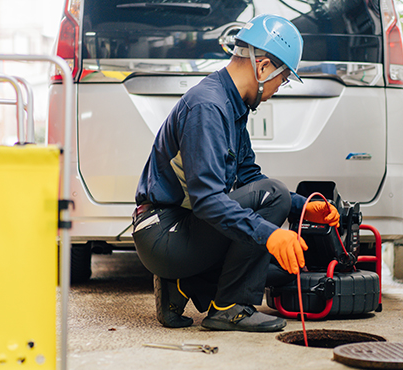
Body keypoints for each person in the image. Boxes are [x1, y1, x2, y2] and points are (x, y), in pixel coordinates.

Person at [133, 14, 339, 332]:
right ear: (264, 67)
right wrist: (270, 234)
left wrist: (303, 206)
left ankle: (181, 287)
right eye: (282, 80)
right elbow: (207, 201)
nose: (277, 89)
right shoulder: (209, 107)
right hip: (164, 233)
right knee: (273, 200)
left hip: (185, 229)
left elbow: (248, 176)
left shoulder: (233, 105)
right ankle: (229, 308)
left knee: (280, 271)